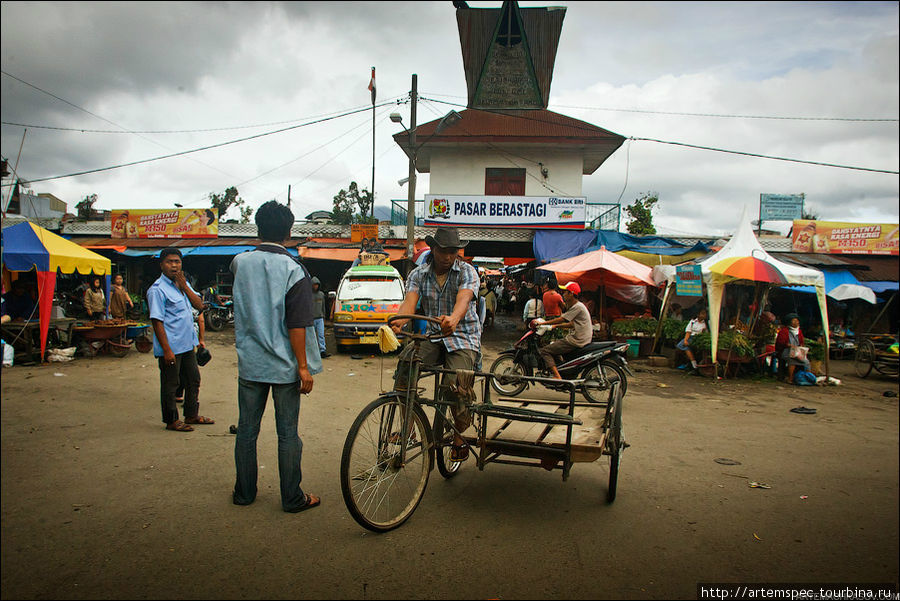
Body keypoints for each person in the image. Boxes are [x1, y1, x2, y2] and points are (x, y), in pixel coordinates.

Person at [230, 200, 322, 513]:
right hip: (284, 367)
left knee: (246, 431)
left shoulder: (240, 263)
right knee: (287, 435)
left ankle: (243, 493)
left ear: (258, 227)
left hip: (251, 363)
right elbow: (297, 325)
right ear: (288, 232)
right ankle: (292, 498)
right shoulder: (293, 269)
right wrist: (303, 367)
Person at [390, 226, 481, 462]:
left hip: (463, 335)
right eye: (444, 251)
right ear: (433, 248)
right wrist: (399, 321)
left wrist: (454, 318)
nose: (449, 256)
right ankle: (409, 427)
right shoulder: (418, 274)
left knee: (457, 383)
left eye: (453, 251)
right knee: (404, 367)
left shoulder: (466, 271)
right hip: (433, 335)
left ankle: (460, 434)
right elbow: (410, 303)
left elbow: (464, 297)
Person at [147, 248, 214, 432]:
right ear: (162, 265)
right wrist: (166, 350)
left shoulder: (182, 284)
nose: (174, 265)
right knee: (171, 384)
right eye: (169, 262)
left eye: (177, 261)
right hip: (171, 346)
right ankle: (171, 420)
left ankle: (191, 414)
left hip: (187, 344)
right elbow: (157, 321)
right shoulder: (157, 290)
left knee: (193, 379)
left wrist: (184, 286)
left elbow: (199, 305)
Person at [535, 282, 592, 380]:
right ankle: (561, 371)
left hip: (577, 340)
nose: (563, 294)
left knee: (545, 351)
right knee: (555, 346)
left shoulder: (577, 307)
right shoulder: (578, 306)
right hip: (581, 338)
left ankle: (557, 376)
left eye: (565, 292)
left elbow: (563, 319)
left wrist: (543, 323)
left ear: (571, 294)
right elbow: (571, 324)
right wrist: (555, 326)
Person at [776, 313, 810, 384]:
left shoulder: (799, 331)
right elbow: (781, 343)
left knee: (806, 362)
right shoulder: (784, 331)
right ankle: (790, 378)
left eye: (797, 321)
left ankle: (807, 377)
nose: (796, 322)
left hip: (797, 350)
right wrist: (789, 345)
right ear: (789, 322)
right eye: (794, 321)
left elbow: (801, 341)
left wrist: (800, 347)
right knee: (792, 361)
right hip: (786, 351)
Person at [676, 308, 708, 373]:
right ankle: (693, 363)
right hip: (690, 337)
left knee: (687, 348)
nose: (704, 315)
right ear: (698, 314)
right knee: (682, 346)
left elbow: (706, 334)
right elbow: (688, 331)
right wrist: (685, 340)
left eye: (705, 314)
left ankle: (693, 363)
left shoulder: (706, 324)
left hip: (698, 339)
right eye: (702, 313)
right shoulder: (693, 322)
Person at [310, 277, 330, 358]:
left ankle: (322, 351)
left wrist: (324, 316)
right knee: (312, 336)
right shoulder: (308, 294)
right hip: (311, 318)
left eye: (317, 285)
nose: (316, 287)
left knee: (321, 335)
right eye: (314, 285)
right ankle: (312, 352)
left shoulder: (321, 294)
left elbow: (323, 306)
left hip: (320, 318)